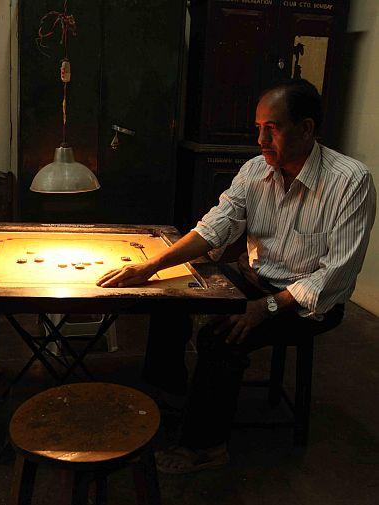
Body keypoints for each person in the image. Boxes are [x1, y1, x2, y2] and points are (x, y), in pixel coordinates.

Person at [97, 79, 376, 473]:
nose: (261, 139)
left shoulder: (350, 181)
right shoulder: (254, 171)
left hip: (307, 301)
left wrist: (266, 307)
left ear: (307, 128)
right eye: (258, 127)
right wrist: (152, 265)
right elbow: (214, 227)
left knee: (220, 336)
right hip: (255, 278)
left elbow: (336, 274)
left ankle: (205, 446)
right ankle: (171, 397)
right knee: (169, 295)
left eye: (272, 128)